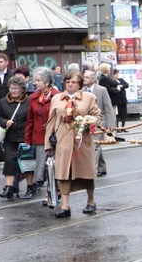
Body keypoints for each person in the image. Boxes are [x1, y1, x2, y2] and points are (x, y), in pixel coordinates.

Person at [44, 70, 102, 217]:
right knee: (63, 173)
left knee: (87, 171)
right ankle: (65, 206)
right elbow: (51, 121)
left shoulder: (89, 98)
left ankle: (91, 201)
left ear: (80, 84)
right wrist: (48, 144)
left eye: (73, 82)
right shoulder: (57, 99)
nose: (70, 84)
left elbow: (97, 115)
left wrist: (91, 120)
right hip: (63, 140)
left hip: (82, 141)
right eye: (67, 82)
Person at [23, 66, 60, 201]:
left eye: (38, 80)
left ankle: (52, 192)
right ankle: (50, 191)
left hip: (55, 137)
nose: (35, 83)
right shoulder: (33, 98)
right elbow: (30, 119)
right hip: (39, 137)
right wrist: (27, 138)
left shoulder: (58, 96)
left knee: (54, 165)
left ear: (47, 82)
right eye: (35, 80)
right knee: (42, 167)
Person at [0, 76, 30, 201]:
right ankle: (8, 187)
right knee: (9, 161)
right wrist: (5, 122)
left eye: (16, 88)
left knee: (26, 163)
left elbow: (31, 119)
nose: (14, 91)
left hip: (24, 136)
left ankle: (30, 186)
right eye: (11, 88)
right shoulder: (3, 102)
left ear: (22, 89)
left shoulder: (28, 101)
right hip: (10, 137)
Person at [83, 69, 115, 177]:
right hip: (88, 122)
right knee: (96, 144)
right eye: (84, 77)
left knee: (95, 145)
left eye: (87, 77)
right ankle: (102, 167)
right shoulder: (82, 91)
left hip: (100, 122)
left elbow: (108, 108)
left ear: (93, 79)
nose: (84, 79)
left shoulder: (102, 90)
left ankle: (92, 168)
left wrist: (111, 125)